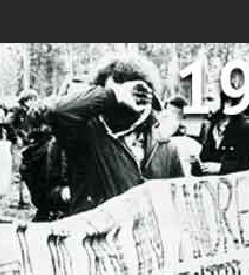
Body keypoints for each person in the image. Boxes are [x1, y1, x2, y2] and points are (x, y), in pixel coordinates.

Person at [43, 53, 183, 215]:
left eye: (137, 93)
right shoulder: (86, 134)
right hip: (97, 236)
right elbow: (57, 112)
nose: (127, 103)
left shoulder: (165, 146)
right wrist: (115, 95)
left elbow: (179, 203)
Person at [194, 91, 249, 176]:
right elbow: (204, 163)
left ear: (228, 103)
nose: (204, 106)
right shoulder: (210, 129)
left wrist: (221, 167)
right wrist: (196, 164)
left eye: (210, 100)